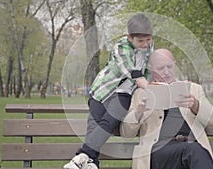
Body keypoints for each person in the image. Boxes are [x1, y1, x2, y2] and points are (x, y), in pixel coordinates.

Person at [64, 13, 154, 169]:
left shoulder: (150, 47)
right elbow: (133, 73)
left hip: (124, 94)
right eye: (140, 41)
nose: (146, 44)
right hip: (102, 90)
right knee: (95, 122)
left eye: (148, 39)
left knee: (108, 120)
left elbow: (149, 71)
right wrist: (152, 89)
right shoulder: (121, 47)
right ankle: (92, 163)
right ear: (129, 37)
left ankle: (81, 157)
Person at [120, 48, 213, 169]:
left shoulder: (193, 89)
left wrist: (196, 105)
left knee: (192, 150)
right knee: (193, 150)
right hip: (158, 153)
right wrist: (139, 112)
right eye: (160, 68)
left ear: (175, 64)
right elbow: (126, 133)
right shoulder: (141, 94)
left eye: (169, 66)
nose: (166, 72)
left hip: (189, 150)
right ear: (151, 70)